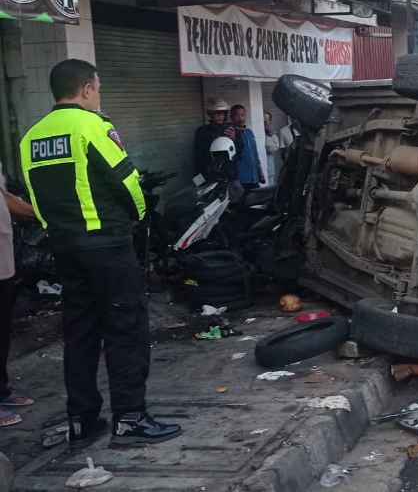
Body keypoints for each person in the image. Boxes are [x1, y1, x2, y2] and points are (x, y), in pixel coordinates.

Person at [19, 59, 181, 448]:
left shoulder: (31, 138)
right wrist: (140, 215)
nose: (99, 94)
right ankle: (129, 419)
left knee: (80, 333)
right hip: (106, 245)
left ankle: (82, 420)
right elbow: (125, 179)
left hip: (64, 247)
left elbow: (35, 197)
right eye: (99, 87)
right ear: (87, 89)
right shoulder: (93, 126)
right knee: (126, 328)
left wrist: (57, 229)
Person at [0, 159, 36, 428]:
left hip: (4, 262)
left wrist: (41, 212)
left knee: (2, 330)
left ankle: (1, 389)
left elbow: (5, 197)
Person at [193, 98, 244, 178]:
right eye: (216, 114)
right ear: (210, 114)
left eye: (222, 114)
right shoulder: (203, 131)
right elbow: (198, 157)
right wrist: (198, 179)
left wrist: (234, 139)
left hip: (230, 174)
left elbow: (240, 151)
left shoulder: (231, 129)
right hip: (210, 174)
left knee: (238, 190)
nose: (220, 116)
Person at [229, 105, 265, 191]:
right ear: (231, 117)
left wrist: (260, 172)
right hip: (240, 179)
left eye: (242, 115)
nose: (240, 118)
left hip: (254, 177)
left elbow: (255, 154)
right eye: (237, 115)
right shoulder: (231, 134)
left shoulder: (249, 132)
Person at [263, 111, 279, 186]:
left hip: (269, 166)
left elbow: (272, 149)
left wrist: (268, 135)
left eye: (267, 120)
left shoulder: (272, 133)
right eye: (263, 120)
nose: (265, 122)